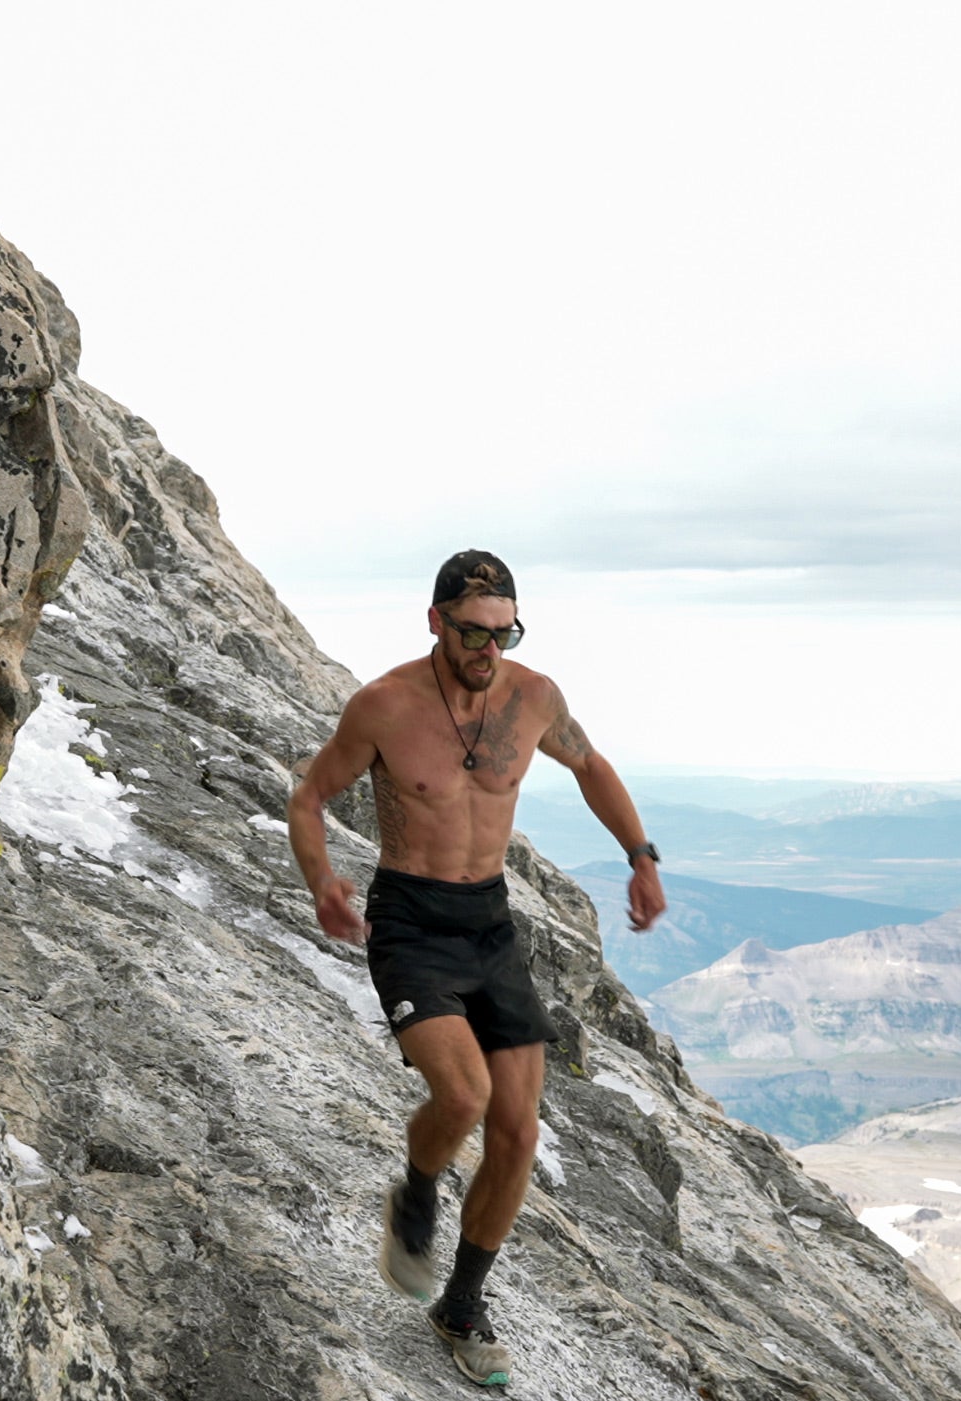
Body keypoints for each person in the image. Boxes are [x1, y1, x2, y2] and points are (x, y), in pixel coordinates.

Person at [286, 549, 665, 1387]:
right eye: (472, 631)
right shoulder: (385, 704)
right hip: (412, 924)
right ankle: (417, 1188)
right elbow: (308, 796)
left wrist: (639, 855)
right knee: (461, 1097)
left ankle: (460, 1305)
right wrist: (323, 884)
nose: (489, 647)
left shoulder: (534, 697)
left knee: (517, 1131)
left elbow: (591, 765)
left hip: (490, 923)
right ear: (435, 622)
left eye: (504, 631)